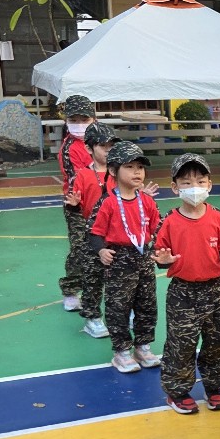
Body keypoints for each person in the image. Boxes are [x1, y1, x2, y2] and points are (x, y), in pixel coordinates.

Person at [153, 153, 220, 413]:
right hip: (183, 293)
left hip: (216, 290)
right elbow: (160, 254)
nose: (194, 187)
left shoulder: (218, 217)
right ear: (175, 187)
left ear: (209, 184)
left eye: (200, 181)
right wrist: (163, 261)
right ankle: (178, 391)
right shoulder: (169, 221)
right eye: (186, 182)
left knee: (218, 341)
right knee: (181, 344)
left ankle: (214, 387)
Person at [88, 141, 163, 373]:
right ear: (113, 170)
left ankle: (143, 346)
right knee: (118, 307)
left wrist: (160, 250)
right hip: (119, 260)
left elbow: (158, 229)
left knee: (147, 305)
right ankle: (121, 351)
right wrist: (101, 250)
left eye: (140, 167)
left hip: (143, 258)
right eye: (129, 167)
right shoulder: (108, 202)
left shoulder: (147, 201)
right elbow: (95, 233)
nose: (137, 172)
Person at [69, 123, 119, 337]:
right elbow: (78, 206)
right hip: (94, 234)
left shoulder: (121, 172)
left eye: (111, 145)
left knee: (120, 277)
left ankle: (123, 313)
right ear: (89, 148)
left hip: (117, 232)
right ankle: (93, 317)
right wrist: (73, 206)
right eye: (102, 146)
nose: (108, 150)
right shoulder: (82, 175)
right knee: (93, 277)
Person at [55, 95, 96, 310]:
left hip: (104, 203)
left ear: (94, 119)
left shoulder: (102, 142)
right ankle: (71, 290)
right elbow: (80, 179)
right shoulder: (69, 148)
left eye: (84, 119)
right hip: (77, 205)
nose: (79, 124)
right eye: (74, 120)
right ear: (67, 121)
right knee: (80, 248)